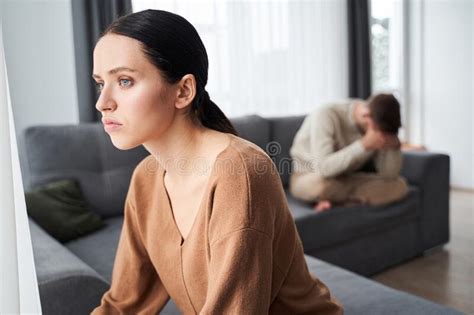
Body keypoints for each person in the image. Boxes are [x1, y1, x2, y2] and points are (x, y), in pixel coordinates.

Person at [90, 9, 342, 314]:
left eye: (125, 81)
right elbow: (124, 304)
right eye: (101, 83)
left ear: (183, 90)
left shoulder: (240, 174)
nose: (103, 103)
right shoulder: (146, 178)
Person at [289, 94, 408, 212]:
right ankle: (346, 199)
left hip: (348, 178)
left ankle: (335, 200)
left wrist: (394, 146)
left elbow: (389, 175)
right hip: (310, 176)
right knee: (323, 187)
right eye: (381, 133)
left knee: (399, 186)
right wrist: (364, 145)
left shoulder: (380, 124)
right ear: (366, 116)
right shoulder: (326, 114)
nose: (382, 138)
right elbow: (323, 168)